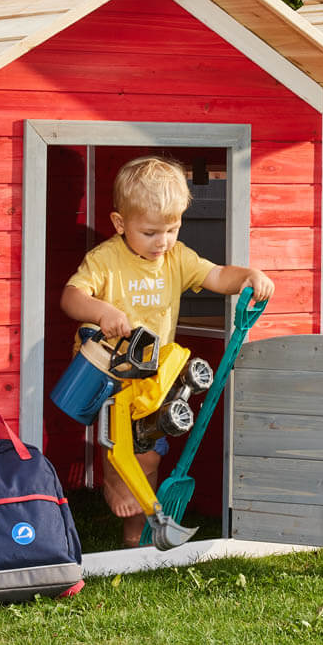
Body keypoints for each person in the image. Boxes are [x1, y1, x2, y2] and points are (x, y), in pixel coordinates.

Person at [60, 155, 275, 545]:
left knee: (152, 452)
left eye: (172, 229)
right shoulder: (105, 260)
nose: (162, 241)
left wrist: (247, 276)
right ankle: (111, 482)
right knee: (120, 442)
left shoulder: (176, 257)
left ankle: (133, 535)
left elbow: (216, 275)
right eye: (150, 232)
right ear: (120, 224)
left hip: (152, 374)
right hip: (106, 372)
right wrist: (102, 310)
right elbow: (71, 297)